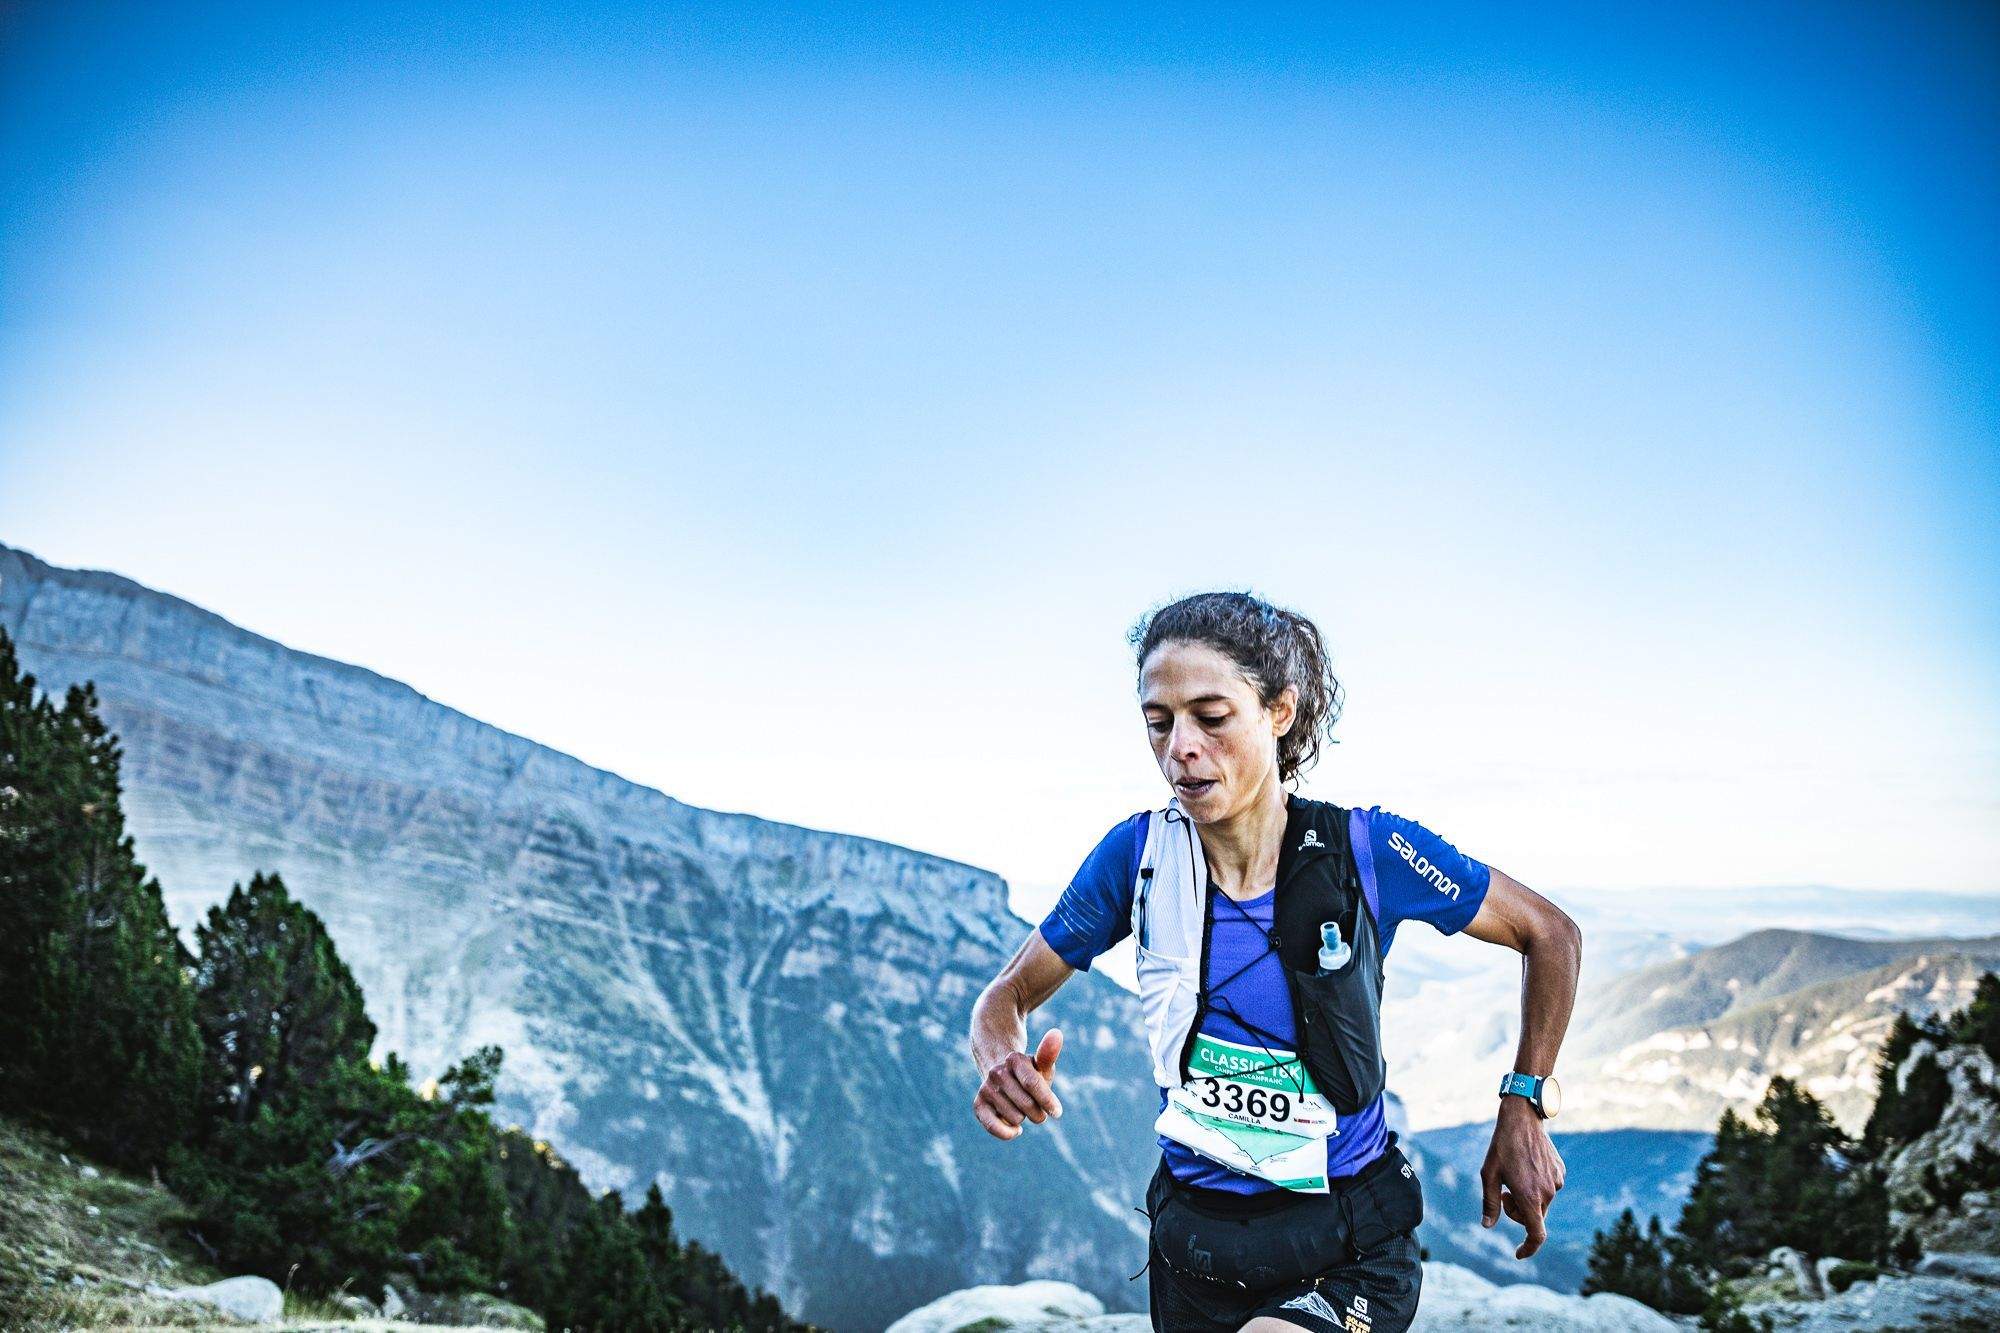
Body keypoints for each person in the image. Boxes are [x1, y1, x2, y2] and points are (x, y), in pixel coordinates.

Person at [968, 591, 1582, 1333]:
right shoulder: (1137, 858)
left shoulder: (1367, 851)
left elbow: (1550, 933)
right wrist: (1000, 1058)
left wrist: (1524, 1104)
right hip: (1195, 1251)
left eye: (1211, 717)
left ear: (1279, 710)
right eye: (1158, 722)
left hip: (1346, 1246)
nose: (1180, 747)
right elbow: (1006, 995)